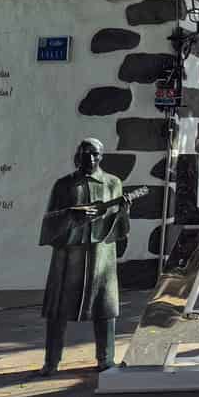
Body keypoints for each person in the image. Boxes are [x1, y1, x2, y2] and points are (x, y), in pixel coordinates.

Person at [38, 139, 130, 375]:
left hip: (101, 255)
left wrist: (123, 211)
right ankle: (51, 362)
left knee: (105, 307)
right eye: (85, 154)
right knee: (59, 308)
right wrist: (69, 215)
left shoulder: (113, 183)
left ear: (102, 156)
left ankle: (106, 359)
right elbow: (49, 220)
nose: (90, 159)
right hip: (69, 255)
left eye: (95, 154)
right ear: (77, 156)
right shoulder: (64, 185)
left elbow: (119, 227)